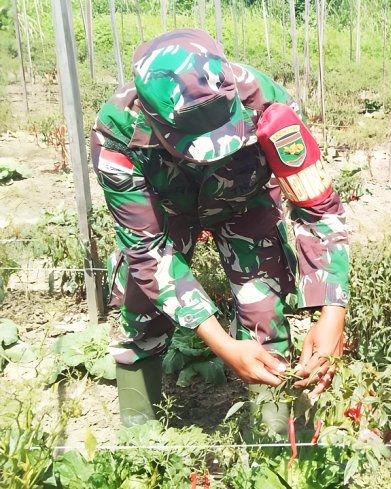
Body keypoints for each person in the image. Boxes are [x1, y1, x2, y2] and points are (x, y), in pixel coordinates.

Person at [92, 28, 349, 430]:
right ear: (153, 119)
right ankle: (140, 436)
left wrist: (333, 311)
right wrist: (223, 346)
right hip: (167, 210)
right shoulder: (119, 135)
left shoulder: (268, 108)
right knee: (142, 300)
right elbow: (147, 250)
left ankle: (273, 434)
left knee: (264, 307)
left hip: (243, 200)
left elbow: (318, 209)